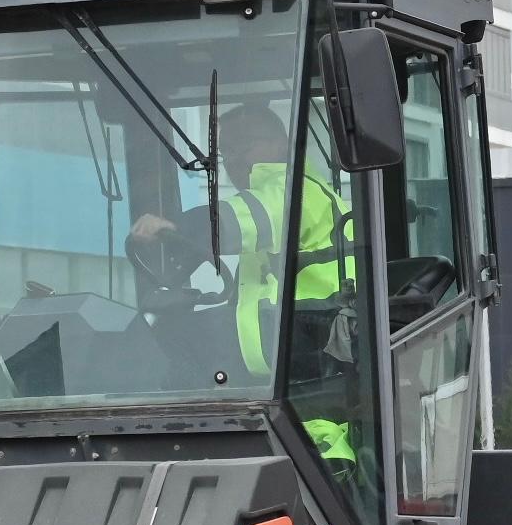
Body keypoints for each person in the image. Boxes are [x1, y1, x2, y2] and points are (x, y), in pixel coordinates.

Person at [128, 98, 361, 465]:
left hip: (314, 364)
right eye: (227, 151)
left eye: (245, 144)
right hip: (281, 365)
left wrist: (180, 225)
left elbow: (246, 221)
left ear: (281, 144)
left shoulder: (298, 190)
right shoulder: (267, 199)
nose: (234, 159)